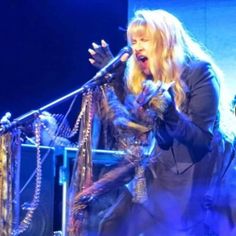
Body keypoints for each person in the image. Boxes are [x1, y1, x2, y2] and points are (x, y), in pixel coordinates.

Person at [68, 9, 236, 236]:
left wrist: (168, 112)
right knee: (111, 225)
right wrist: (115, 73)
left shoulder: (200, 72)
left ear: (165, 40)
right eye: (134, 41)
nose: (136, 47)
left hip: (194, 175)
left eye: (144, 40)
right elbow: (129, 121)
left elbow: (201, 141)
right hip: (160, 168)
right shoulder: (150, 77)